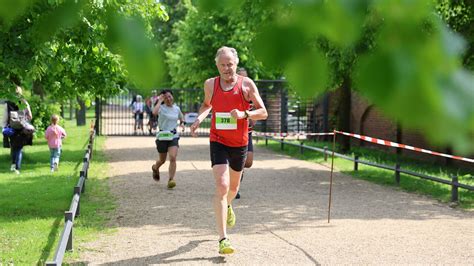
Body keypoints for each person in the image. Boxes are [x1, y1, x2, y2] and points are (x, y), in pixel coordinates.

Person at [190, 46, 268, 254]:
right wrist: (200, 118)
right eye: (222, 65)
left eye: (230, 64)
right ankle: (223, 239)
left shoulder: (246, 84)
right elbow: (207, 105)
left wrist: (244, 114)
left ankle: (229, 205)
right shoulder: (210, 84)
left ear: (236, 64)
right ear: (217, 65)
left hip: (240, 143)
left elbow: (263, 112)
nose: (226, 68)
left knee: (232, 189)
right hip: (218, 140)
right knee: (222, 186)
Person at [151, 89, 185, 189]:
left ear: (172, 97)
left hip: (173, 136)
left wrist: (182, 124)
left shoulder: (177, 109)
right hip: (162, 136)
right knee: (162, 160)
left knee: (173, 157)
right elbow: (154, 112)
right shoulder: (161, 107)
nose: (168, 99)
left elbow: (181, 118)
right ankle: (155, 167)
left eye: (169, 96)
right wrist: (159, 101)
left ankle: (171, 179)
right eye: (166, 97)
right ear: (163, 99)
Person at [2, 86, 33, 174]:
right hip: (22, 128)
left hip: (11, 128)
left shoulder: (7, 103)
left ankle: (13, 165)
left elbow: (4, 117)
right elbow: (30, 116)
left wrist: (4, 127)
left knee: (13, 147)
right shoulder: (24, 102)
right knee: (19, 148)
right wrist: (25, 120)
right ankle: (17, 168)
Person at [235, 67, 254, 199]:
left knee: (248, 162)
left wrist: (252, 117)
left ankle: (234, 177)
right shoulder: (233, 94)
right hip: (234, 133)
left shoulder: (252, 94)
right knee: (238, 162)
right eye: (241, 77)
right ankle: (234, 188)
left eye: (246, 77)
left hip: (247, 133)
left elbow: (258, 115)